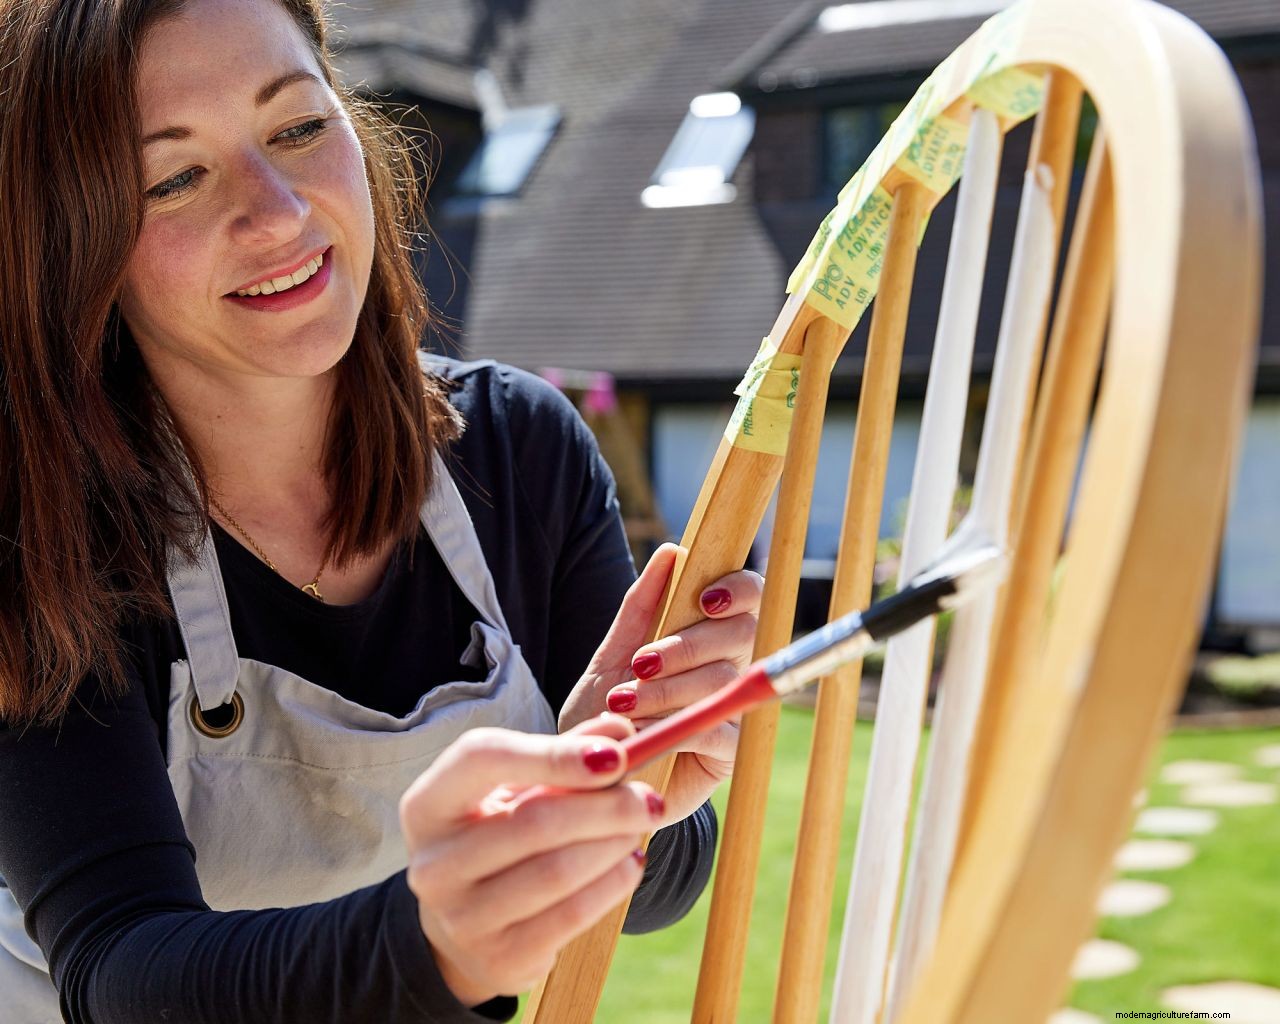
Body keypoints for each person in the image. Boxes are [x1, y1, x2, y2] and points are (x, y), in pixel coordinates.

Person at [0, 1, 761, 1021]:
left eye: (297, 127)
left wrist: (612, 786)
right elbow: (118, 969)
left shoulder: (516, 449)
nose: (278, 213)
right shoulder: (35, 527)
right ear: (70, 239)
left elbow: (659, 884)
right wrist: (420, 941)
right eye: (174, 178)